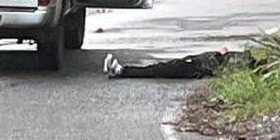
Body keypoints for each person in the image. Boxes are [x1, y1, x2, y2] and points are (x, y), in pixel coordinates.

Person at [103, 48, 259, 79]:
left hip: (195, 66)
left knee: (159, 69)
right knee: (160, 68)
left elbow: (221, 69)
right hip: (196, 62)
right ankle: (122, 70)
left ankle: (122, 71)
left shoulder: (243, 64)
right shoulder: (244, 59)